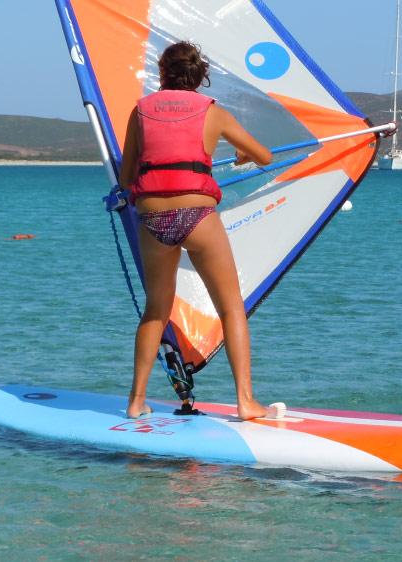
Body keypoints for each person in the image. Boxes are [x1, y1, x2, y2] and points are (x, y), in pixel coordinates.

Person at [118, 41, 285, 421]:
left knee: (156, 310)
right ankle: (245, 402)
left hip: (154, 220)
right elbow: (265, 156)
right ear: (200, 77)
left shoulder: (140, 111)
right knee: (231, 309)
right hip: (197, 216)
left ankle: (136, 401)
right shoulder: (215, 114)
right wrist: (241, 154)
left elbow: (128, 177)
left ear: (163, 72)